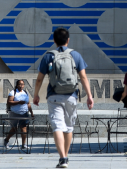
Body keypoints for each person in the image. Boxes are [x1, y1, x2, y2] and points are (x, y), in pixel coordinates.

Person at [34, 27, 94, 168]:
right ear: (68, 40)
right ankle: (65, 157)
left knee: (57, 126)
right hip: (71, 95)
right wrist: (89, 96)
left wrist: (36, 95)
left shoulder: (49, 55)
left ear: (54, 40)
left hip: (54, 95)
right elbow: (83, 77)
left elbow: (39, 79)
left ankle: (63, 158)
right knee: (68, 127)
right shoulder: (76, 55)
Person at [4, 79, 34, 150]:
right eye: (20, 84)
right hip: (15, 113)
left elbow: (28, 103)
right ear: (17, 85)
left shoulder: (25, 92)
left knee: (23, 128)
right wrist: (18, 102)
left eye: (22, 84)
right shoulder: (13, 92)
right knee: (14, 129)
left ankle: (23, 144)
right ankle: (6, 140)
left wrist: (31, 112)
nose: (21, 86)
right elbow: (9, 102)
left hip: (24, 113)